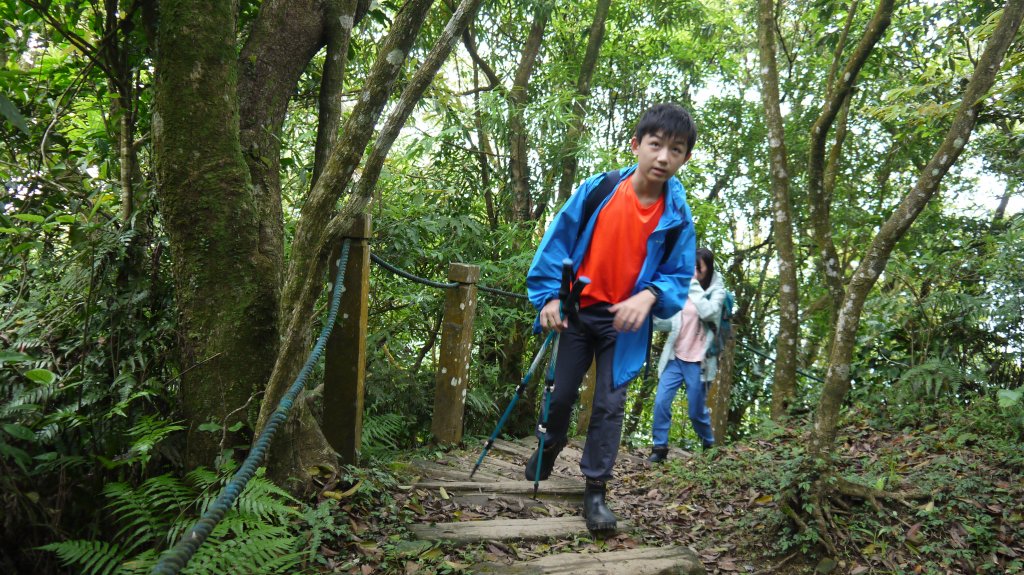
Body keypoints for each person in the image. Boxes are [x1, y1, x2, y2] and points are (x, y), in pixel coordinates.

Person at [525, 103, 698, 533]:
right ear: (636, 145)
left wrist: (651, 295)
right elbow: (557, 241)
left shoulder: (677, 218)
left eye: (675, 150)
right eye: (655, 145)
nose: (663, 157)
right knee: (561, 395)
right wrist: (548, 297)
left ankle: (596, 490)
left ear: (685, 158)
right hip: (578, 312)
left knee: (609, 405)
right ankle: (553, 440)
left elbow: (678, 275)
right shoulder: (599, 190)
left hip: (626, 324)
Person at [647, 247, 727, 462]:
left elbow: (709, 312)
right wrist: (649, 318)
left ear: (708, 269)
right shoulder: (682, 289)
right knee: (661, 401)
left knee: (696, 411)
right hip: (676, 357)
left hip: (699, 362)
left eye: (698, 268)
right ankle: (659, 448)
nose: (694, 271)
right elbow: (671, 321)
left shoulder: (717, 292)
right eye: (691, 267)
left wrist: (692, 286)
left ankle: (708, 442)